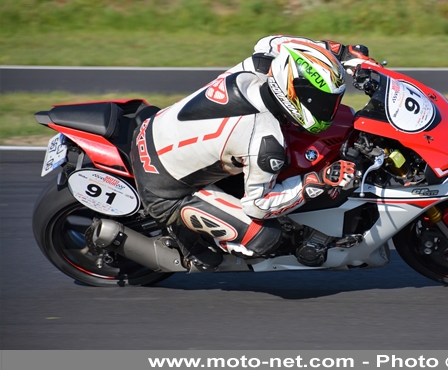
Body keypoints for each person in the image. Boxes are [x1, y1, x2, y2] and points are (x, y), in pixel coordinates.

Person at [130, 35, 376, 270]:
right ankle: (187, 236)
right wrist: (316, 181)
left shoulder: (256, 67)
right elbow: (258, 205)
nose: (329, 109)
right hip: (164, 189)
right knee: (265, 237)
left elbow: (272, 42)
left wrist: (339, 52)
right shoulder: (264, 139)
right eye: (322, 102)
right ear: (296, 93)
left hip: (156, 127)